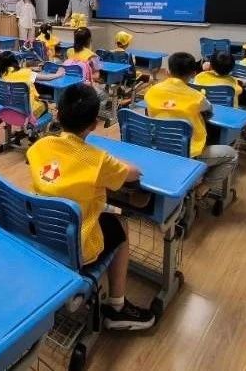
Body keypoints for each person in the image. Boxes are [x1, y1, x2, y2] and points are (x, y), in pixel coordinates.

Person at [26, 83, 155, 330]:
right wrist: (106, 157)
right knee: (120, 223)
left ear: (57, 114)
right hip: (76, 245)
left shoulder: (39, 147)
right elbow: (134, 173)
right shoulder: (98, 160)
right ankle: (117, 307)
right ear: (94, 124)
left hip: (38, 233)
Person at [144, 53, 239, 197]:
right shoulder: (197, 97)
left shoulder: (152, 91)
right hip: (185, 153)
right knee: (231, 154)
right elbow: (209, 111)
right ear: (193, 74)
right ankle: (203, 187)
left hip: (155, 146)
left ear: (167, 72)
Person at [0, 51, 63, 118]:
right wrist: (58, 74)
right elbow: (47, 78)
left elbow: (16, 71)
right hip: (28, 113)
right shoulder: (26, 73)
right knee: (45, 104)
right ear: (15, 61)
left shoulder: (3, 75)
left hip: (9, 110)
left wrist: (31, 68)